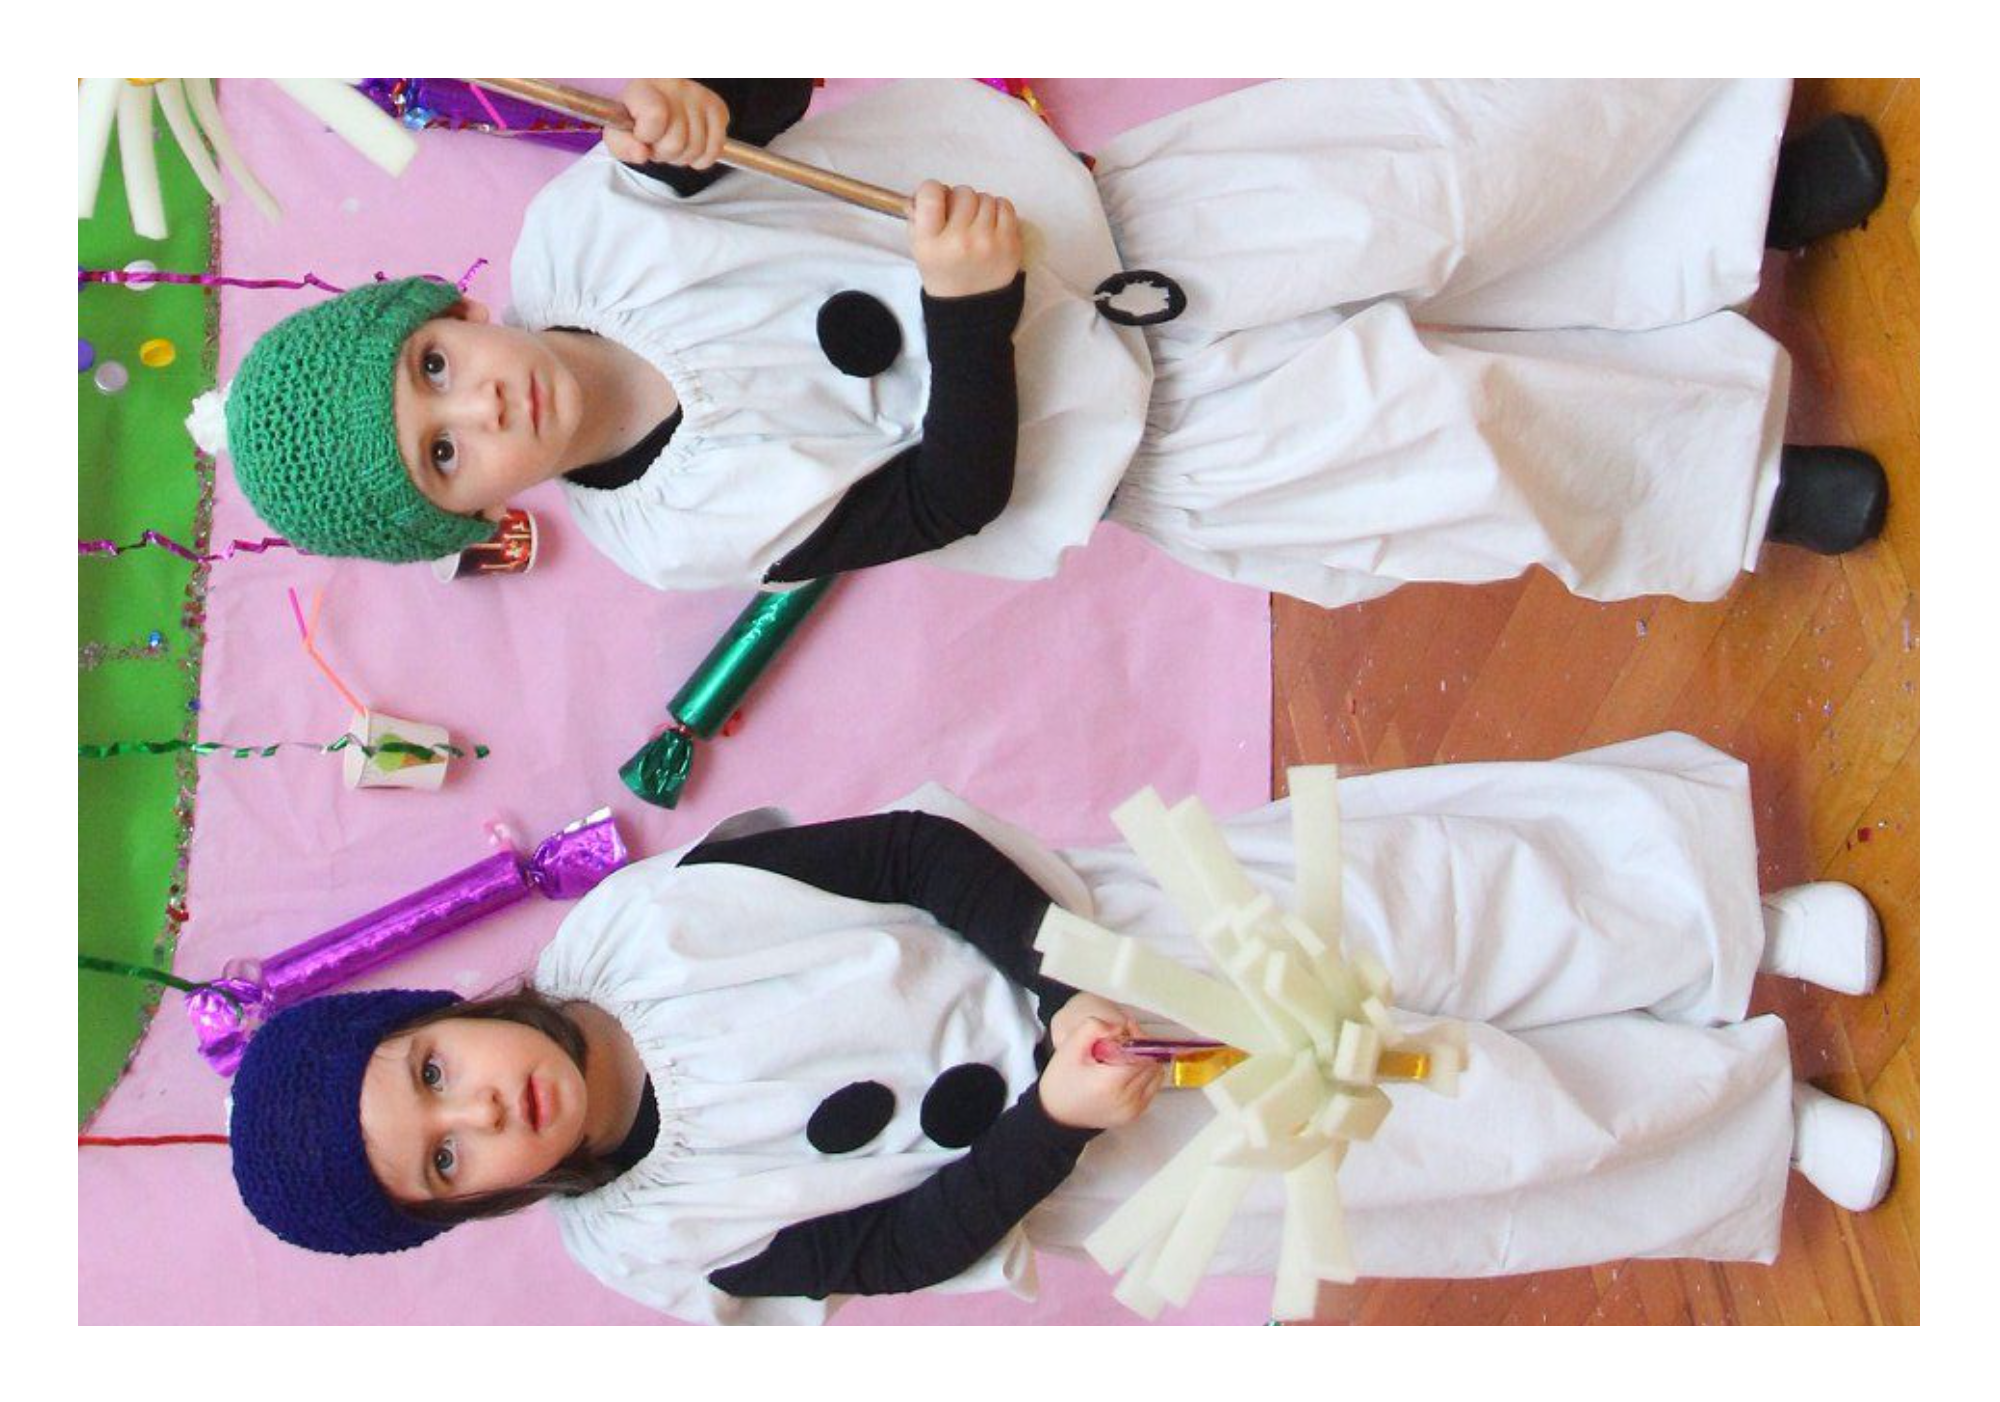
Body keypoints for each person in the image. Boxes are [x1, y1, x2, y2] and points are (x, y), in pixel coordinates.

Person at [227, 733, 1895, 1324]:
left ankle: (1729, 922)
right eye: (445, 1160)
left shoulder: (642, 928)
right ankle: (1741, 1112)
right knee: (1460, 1133)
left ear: (440, 1012)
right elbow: (892, 1248)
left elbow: (904, 854)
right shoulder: (656, 1240)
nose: (483, 1111)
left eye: (432, 1074)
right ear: (470, 1203)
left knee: (1447, 904)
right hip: (1114, 1155)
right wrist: (1057, 1120)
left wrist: (1054, 979)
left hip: (1110, 931)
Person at [195, 78, 1890, 607]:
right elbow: (948, 499)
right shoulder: (677, 532)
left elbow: (776, 107)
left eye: (434, 371)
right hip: (1144, 446)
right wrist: (964, 313)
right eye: (448, 453)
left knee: (1453, 175)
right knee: (1457, 450)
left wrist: (709, 95)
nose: (481, 405)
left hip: (1134, 223)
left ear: (444, 313)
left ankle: (1725, 192)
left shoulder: (596, 219)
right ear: (485, 512)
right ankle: (1727, 482)